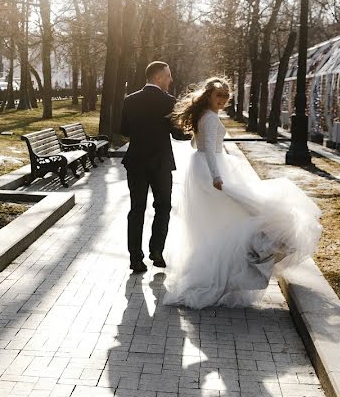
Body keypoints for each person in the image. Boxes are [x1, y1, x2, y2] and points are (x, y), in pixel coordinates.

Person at [162, 77, 322, 308]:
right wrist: (217, 175)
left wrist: (216, 157)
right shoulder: (208, 117)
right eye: (219, 96)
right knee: (236, 217)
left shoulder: (205, 115)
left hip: (207, 168)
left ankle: (232, 269)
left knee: (224, 220)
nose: (223, 101)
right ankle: (231, 270)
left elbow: (197, 147)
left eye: (226, 97)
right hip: (211, 171)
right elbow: (205, 150)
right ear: (209, 95)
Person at [120, 61, 189, 273]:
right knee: (163, 207)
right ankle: (156, 251)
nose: (171, 80)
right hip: (161, 163)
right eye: (168, 76)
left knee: (137, 209)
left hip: (136, 162)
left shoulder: (130, 100)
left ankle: (135, 257)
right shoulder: (169, 101)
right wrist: (196, 132)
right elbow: (177, 134)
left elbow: (124, 130)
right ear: (158, 78)